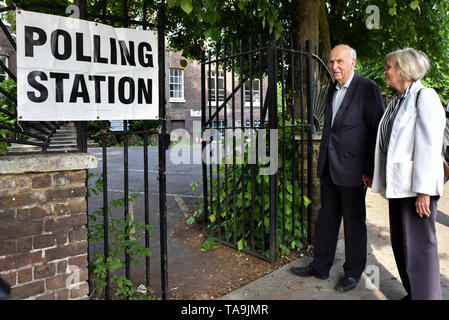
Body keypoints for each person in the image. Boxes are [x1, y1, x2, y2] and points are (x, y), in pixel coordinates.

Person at [290, 44, 384, 292]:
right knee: (326, 219)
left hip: (355, 171)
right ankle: (320, 265)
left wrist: (370, 170)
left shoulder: (367, 89)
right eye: (331, 62)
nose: (334, 66)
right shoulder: (332, 88)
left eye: (340, 62)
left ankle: (353, 273)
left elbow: (377, 133)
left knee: (354, 223)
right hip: (330, 168)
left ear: (353, 63)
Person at [371, 48, 445, 300]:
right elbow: (388, 143)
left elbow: (429, 145)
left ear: (404, 69)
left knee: (420, 250)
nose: (385, 72)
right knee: (403, 247)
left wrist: (424, 191)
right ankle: (415, 292)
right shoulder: (398, 100)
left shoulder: (425, 96)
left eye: (389, 67)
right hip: (399, 186)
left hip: (417, 189)